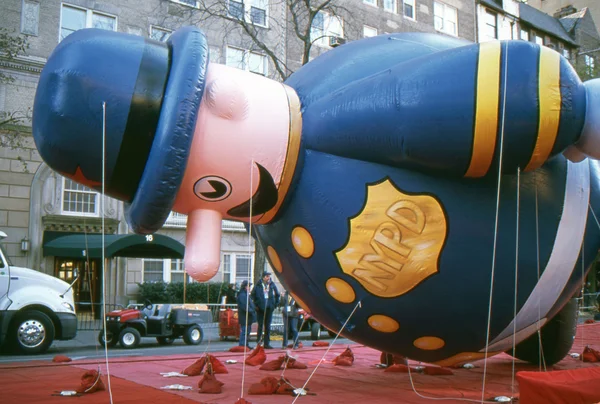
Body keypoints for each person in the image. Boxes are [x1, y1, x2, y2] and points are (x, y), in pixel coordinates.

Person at [251, 271, 280, 349]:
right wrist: (255, 306)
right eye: (267, 276)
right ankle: (259, 342)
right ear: (263, 277)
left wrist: (275, 305)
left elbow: (277, 295)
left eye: (269, 276)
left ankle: (267, 343)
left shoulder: (272, 285)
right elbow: (252, 296)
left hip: (269, 308)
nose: (268, 278)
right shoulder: (258, 285)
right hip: (260, 309)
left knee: (268, 326)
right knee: (260, 326)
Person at [236, 280, 256, 349]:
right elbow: (244, 306)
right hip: (244, 316)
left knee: (247, 331)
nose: (249, 288)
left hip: (247, 316)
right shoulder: (242, 295)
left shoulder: (245, 294)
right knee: (244, 331)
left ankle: (245, 344)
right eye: (248, 286)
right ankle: (242, 345)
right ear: (245, 287)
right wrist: (251, 311)